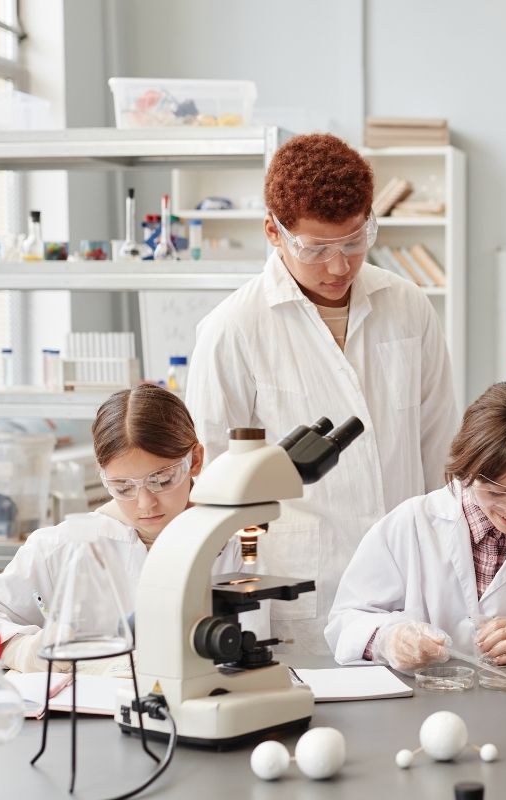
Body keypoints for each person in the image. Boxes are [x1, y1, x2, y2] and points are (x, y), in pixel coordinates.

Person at [185, 133, 459, 654]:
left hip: (407, 578)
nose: (339, 267)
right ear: (273, 231)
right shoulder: (232, 329)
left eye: (355, 241)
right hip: (300, 589)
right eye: (316, 249)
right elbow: (213, 481)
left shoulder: (408, 306)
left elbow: (439, 445)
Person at [0, 384, 260, 672]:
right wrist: (17, 650)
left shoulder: (237, 545)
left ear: (196, 460)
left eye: (161, 480)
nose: (145, 503)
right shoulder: (63, 546)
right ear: (103, 476)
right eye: (123, 487)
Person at [325, 381, 506, 671]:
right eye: (496, 492)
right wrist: (387, 639)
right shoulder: (409, 524)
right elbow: (345, 621)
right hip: (419, 704)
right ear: (468, 470)